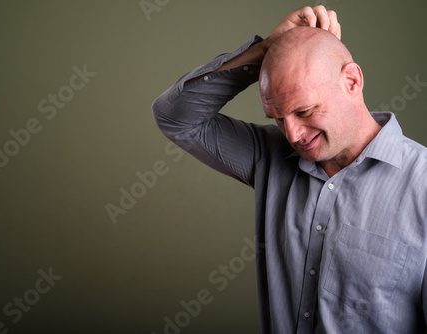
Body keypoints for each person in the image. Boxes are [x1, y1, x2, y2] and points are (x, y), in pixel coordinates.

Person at [152, 5, 427, 334]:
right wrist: (265, 50)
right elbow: (175, 117)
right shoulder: (269, 156)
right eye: (279, 119)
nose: (294, 135)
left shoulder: (422, 185)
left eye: (305, 111)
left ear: (352, 81)